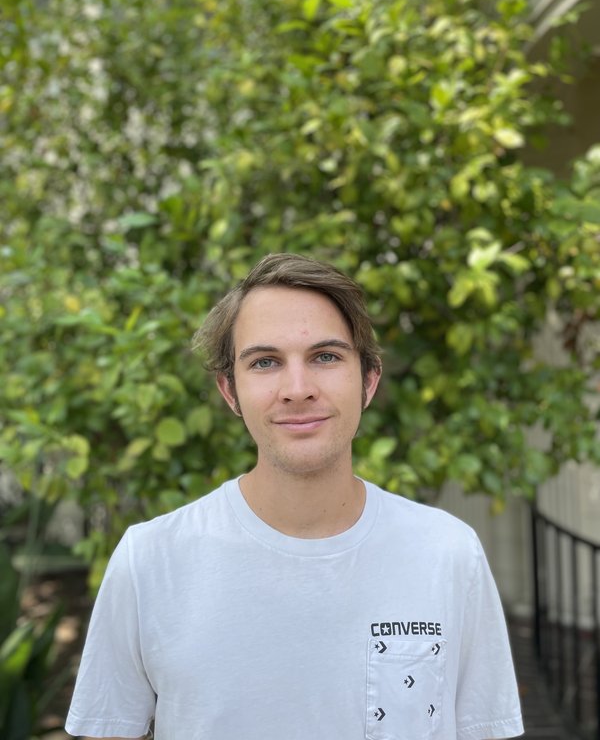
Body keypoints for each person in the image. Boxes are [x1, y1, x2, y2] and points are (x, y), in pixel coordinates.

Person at [66, 253, 524, 740]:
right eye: (265, 362)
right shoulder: (150, 561)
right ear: (230, 392)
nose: (297, 389)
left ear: (368, 381)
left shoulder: (448, 553)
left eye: (325, 356)